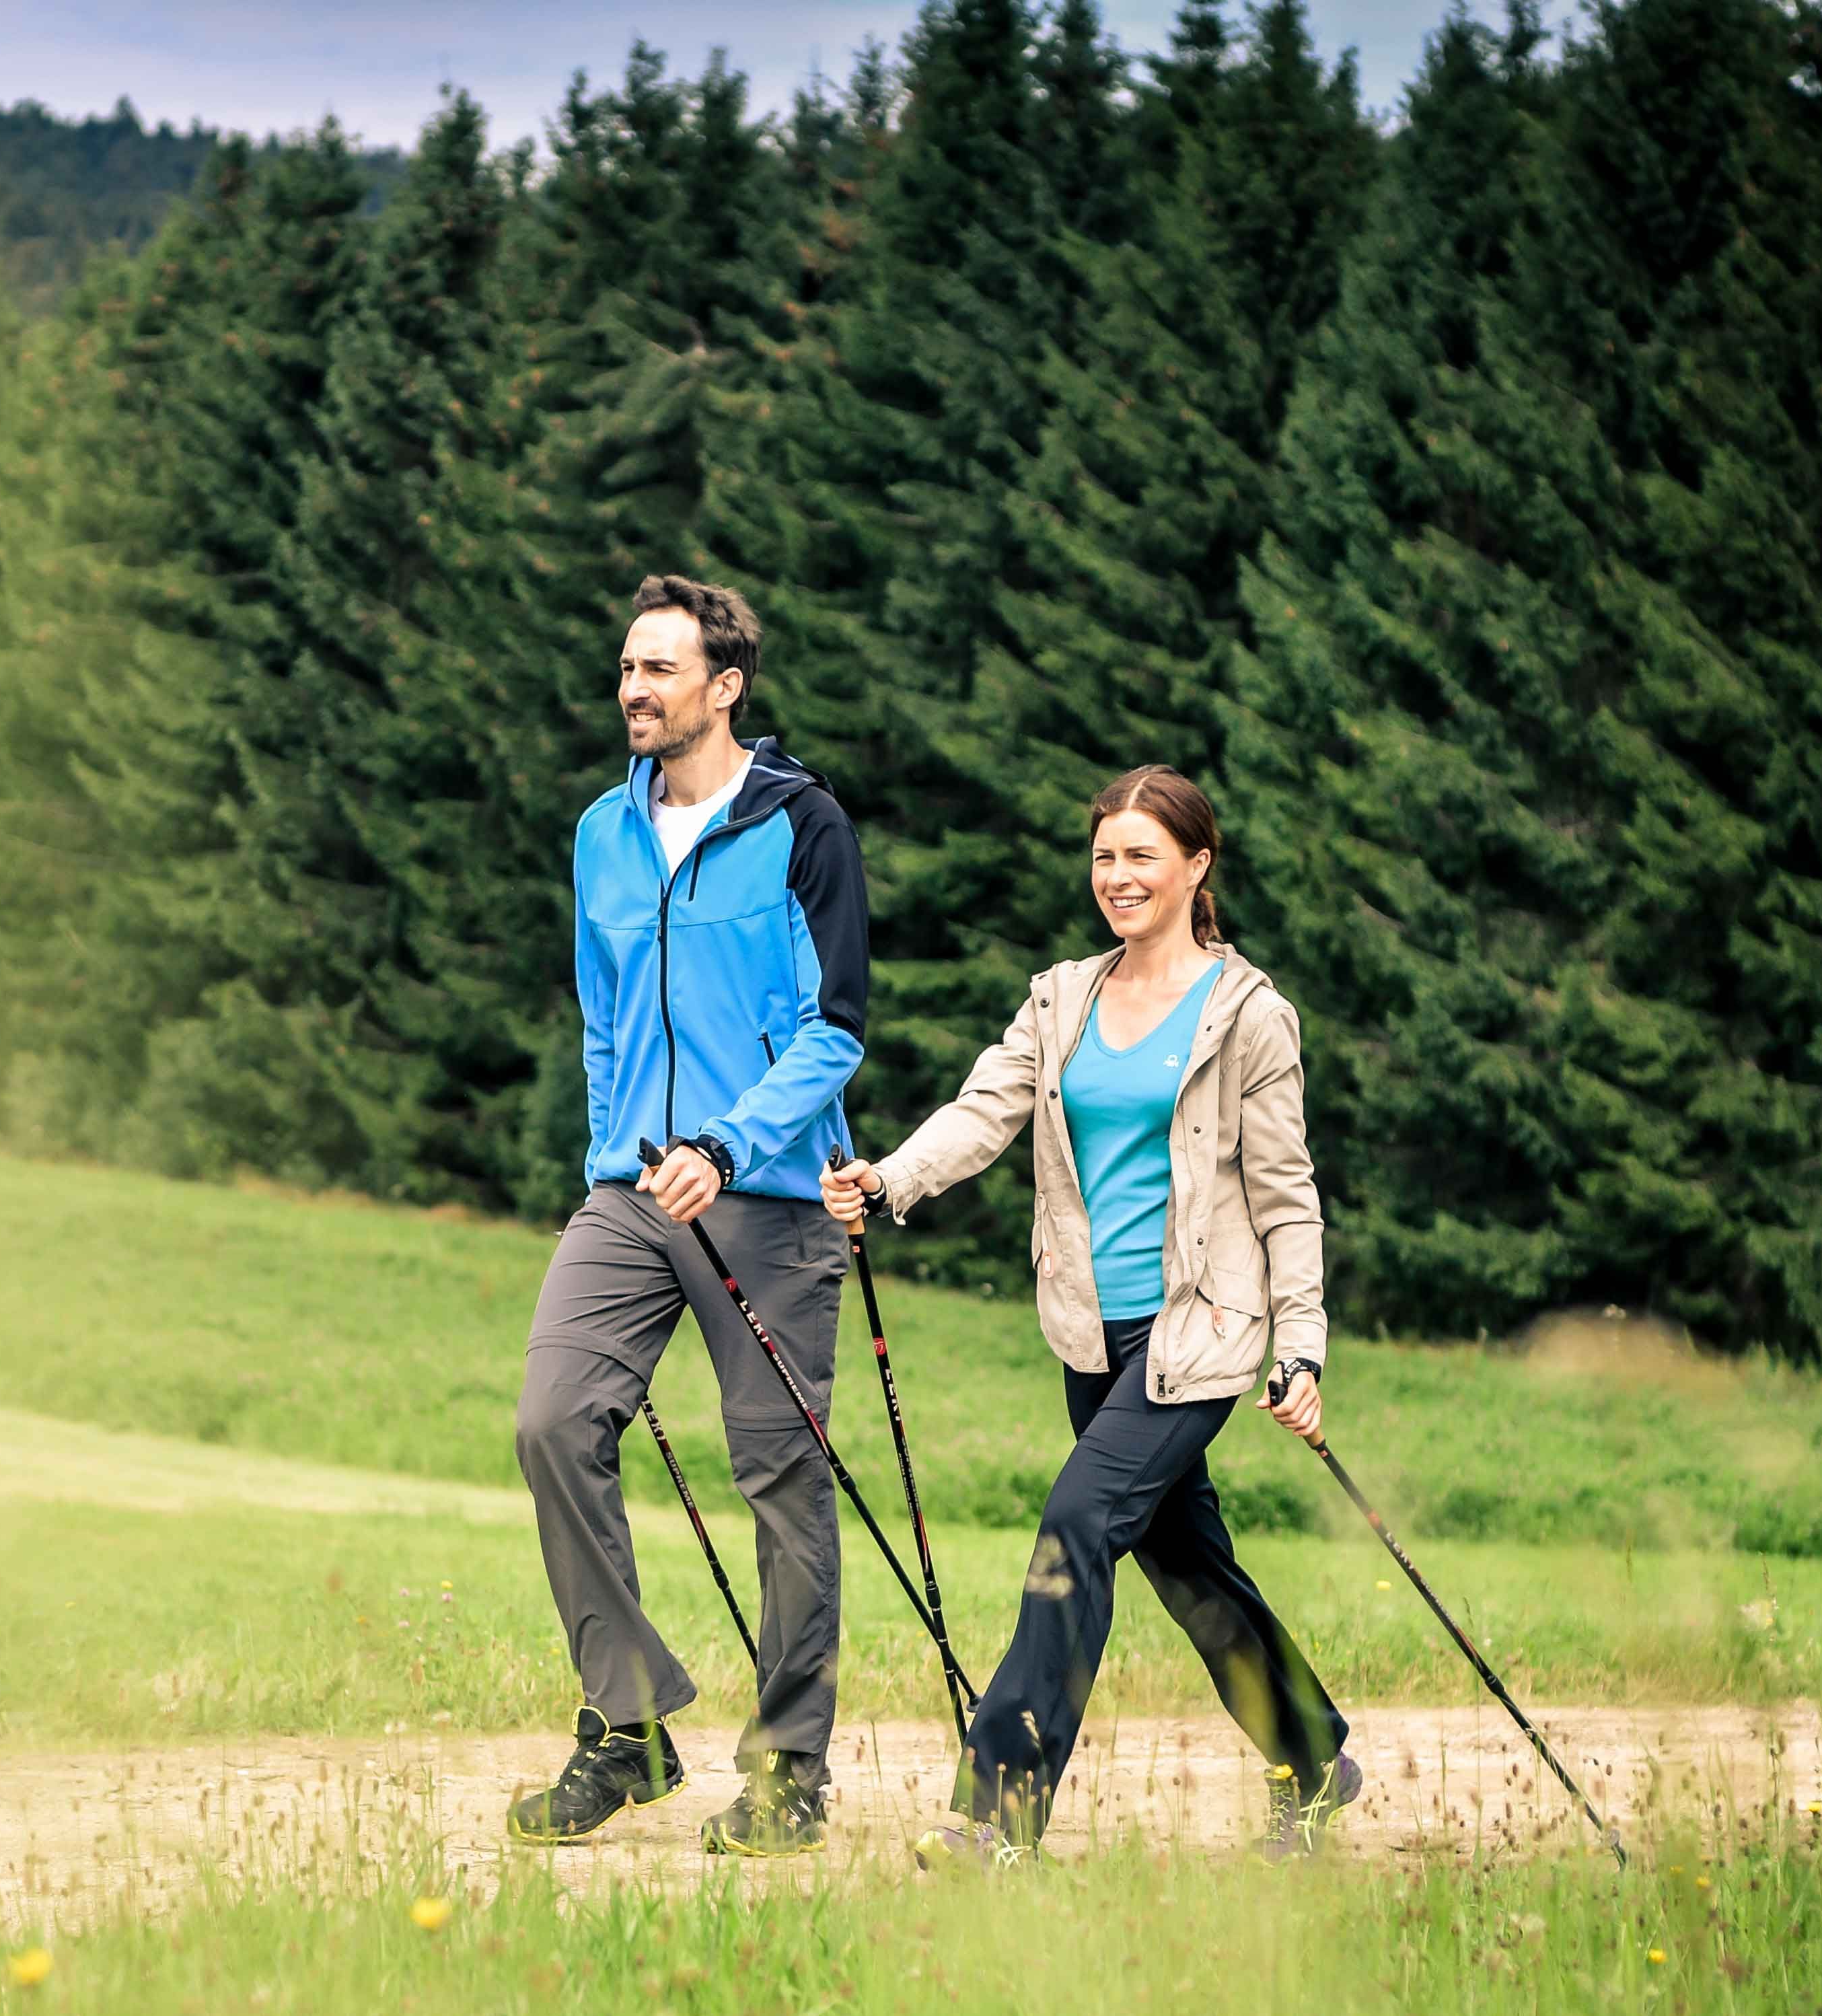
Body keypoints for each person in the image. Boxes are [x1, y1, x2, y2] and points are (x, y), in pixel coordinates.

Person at [823, 766, 1359, 1867]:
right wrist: (890, 1179)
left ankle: (996, 1816)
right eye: (1106, 856)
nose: (1118, 877)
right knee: (1189, 1566)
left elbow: (1286, 1195)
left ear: (1196, 865)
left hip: (1197, 1337)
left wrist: (1299, 1345)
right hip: (1089, 1333)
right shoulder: (1062, 996)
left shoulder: (1249, 1016)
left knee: (1075, 1531)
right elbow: (986, 1109)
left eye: (1142, 857)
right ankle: (1312, 1760)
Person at [508, 574, 870, 1857]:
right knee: (553, 1418)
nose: (634, 691)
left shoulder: (803, 827)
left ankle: (789, 1773)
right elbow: (606, 1020)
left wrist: (732, 1142)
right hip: (630, 1192)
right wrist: (613, 1161)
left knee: (780, 1479)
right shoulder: (603, 831)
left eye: (660, 670)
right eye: (626, 668)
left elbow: (835, 1033)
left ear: (725, 688)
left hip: (764, 1200)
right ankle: (627, 1725)